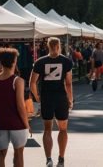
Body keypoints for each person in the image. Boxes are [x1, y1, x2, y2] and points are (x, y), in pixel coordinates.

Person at [29, 37, 73, 167]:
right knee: (63, 129)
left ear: (48, 46)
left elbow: (32, 83)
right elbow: (69, 83)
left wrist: (37, 97)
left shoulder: (40, 62)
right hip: (61, 98)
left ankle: (48, 159)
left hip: (47, 98)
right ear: (59, 46)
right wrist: (70, 100)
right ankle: (61, 158)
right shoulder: (66, 61)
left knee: (47, 129)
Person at [0, 48, 30, 167]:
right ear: (14, 61)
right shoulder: (18, 81)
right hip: (17, 124)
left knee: (0, 154)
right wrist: (27, 124)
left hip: (0, 124)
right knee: (19, 154)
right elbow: (20, 106)